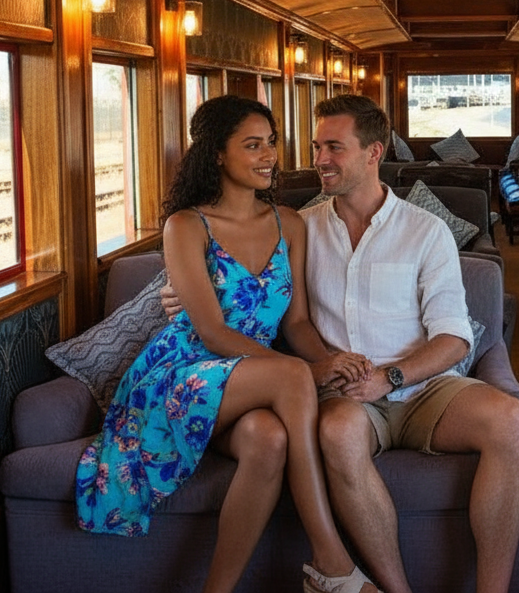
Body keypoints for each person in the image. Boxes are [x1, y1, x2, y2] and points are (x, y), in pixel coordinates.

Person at [164, 95, 519, 593]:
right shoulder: (299, 227)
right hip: (346, 395)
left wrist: (392, 376)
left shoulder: (426, 232)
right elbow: (262, 304)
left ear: (373, 152)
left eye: (334, 148)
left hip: (423, 388)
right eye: (316, 147)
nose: (319, 159)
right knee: (336, 433)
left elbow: (454, 337)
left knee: (511, 419)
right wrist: (178, 296)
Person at [76, 95, 378, 593]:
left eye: (272, 144)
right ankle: (332, 562)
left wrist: (329, 360)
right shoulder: (186, 225)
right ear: (218, 152)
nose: (268, 156)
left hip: (250, 379)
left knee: (269, 440)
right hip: (183, 372)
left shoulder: (289, 223)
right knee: (291, 373)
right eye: (252, 145)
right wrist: (308, 371)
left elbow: (298, 321)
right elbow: (212, 332)